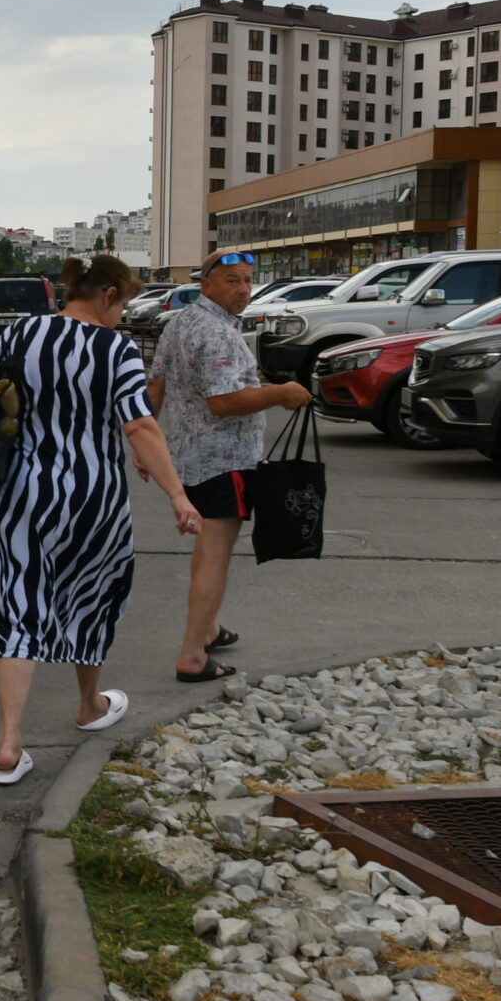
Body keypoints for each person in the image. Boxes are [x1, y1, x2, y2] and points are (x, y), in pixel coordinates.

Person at [0, 253, 204, 786]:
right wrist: (178, 496)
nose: (122, 315)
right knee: (90, 594)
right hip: (92, 497)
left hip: (20, 492)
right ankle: (89, 705)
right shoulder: (115, 347)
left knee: (17, 603)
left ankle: (8, 745)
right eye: (122, 304)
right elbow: (140, 426)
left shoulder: (22, 333)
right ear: (107, 296)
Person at [148, 252, 311, 683]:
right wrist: (280, 393)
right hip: (226, 460)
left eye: (247, 281)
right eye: (232, 281)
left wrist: (143, 443)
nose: (243, 289)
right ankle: (192, 656)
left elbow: (157, 382)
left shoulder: (179, 322)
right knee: (215, 557)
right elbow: (223, 403)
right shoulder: (218, 334)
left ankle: (209, 629)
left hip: (188, 457)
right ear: (207, 285)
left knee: (206, 553)